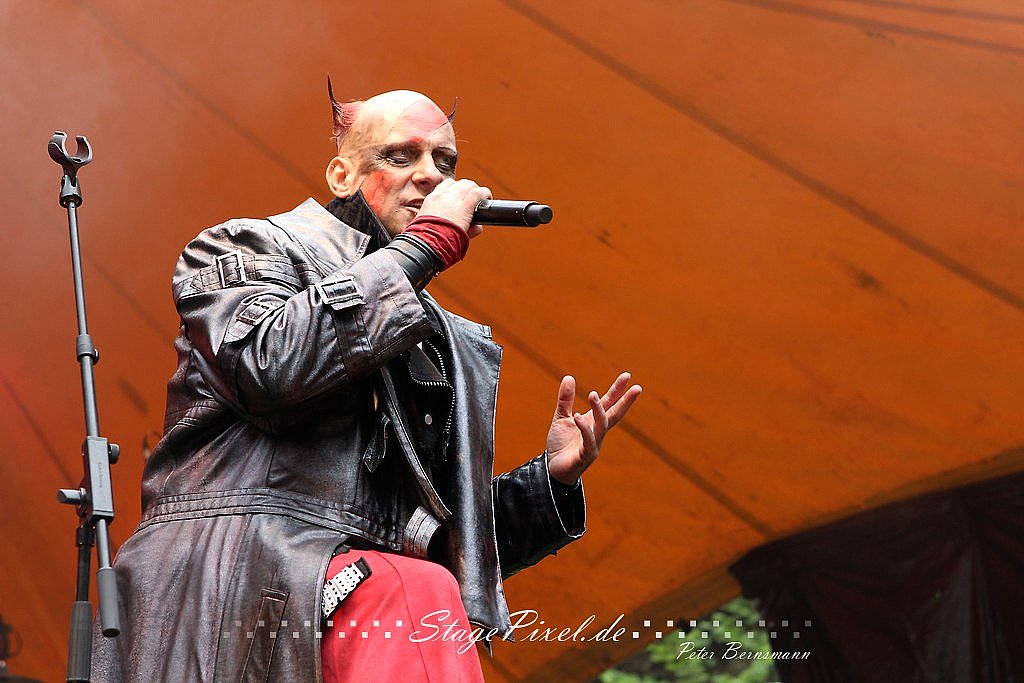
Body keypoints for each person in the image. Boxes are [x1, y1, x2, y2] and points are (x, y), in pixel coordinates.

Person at [91, 86, 641, 681]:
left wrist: (550, 481)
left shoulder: (424, 332)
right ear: (342, 175)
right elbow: (268, 366)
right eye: (401, 156)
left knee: (424, 586)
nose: (431, 175)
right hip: (229, 590)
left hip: (358, 606)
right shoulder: (247, 246)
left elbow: (437, 543)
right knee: (417, 588)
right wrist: (425, 248)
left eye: (446, 161)